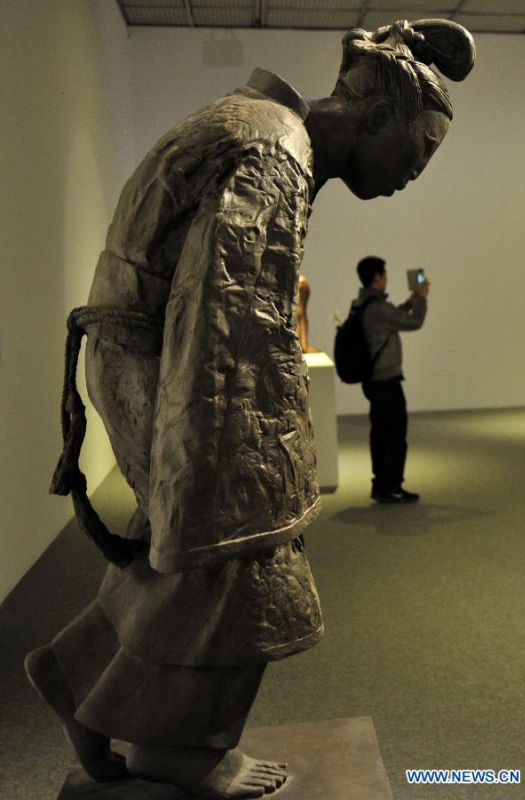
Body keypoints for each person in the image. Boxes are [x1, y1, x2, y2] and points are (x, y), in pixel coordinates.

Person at [25, 19, 474, 799]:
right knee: (247, 558)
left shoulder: (265, 124)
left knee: (188, 560)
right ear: (378, 118)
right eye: (419, 151)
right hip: (171, 368)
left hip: (141, 357)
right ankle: (179, 753)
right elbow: (225, 319)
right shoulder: (277, 155)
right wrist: (243, 458)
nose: (415, 173)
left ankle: (78, 675)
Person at [355, 256, 429, 503]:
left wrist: (411, 301)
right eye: (384, 275)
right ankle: (393, 486)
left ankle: (380, 484)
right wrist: (422, 299)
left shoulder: (362, 303)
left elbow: (393, 317)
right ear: (376, 278)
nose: (387, 279)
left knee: (379, 432)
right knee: (396, 433)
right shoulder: (378, 307)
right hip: (387, 380)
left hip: (372, 380)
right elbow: (414, 322)